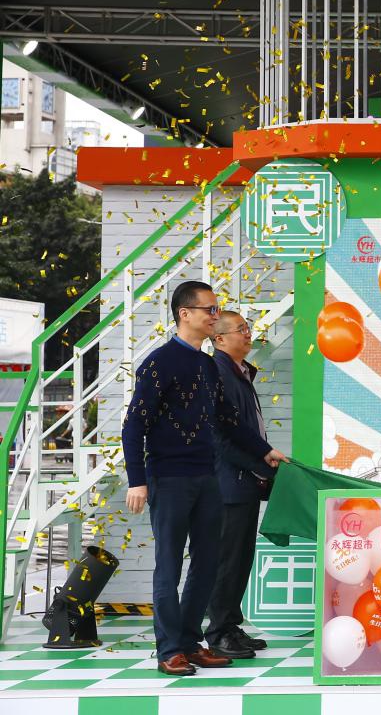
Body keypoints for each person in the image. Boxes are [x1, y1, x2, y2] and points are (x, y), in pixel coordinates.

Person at [121, 281, 286, 676]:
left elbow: (228, 420)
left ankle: (191, 642)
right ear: (185, 314)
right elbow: (134, 425)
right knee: (168, 567)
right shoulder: (160, 362)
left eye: (216, 309)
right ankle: (169, 650)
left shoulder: (207, 366)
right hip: (168, 479)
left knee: (208, 564)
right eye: (209, 309)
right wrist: (137, 480)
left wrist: (264, 450)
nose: (215, 315)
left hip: (207, 477)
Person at [205, 311, 276, 659]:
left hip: (244, 481)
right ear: (219, 339)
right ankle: (217, 632)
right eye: (241, 330)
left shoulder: (240, 372)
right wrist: (259, 464)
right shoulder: (217, 373)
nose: (248, 335)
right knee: (227, 560)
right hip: (227, 483)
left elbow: (248, 432)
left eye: (248, 329)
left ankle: (231, 625)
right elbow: (219, 438)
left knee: (241, 558)